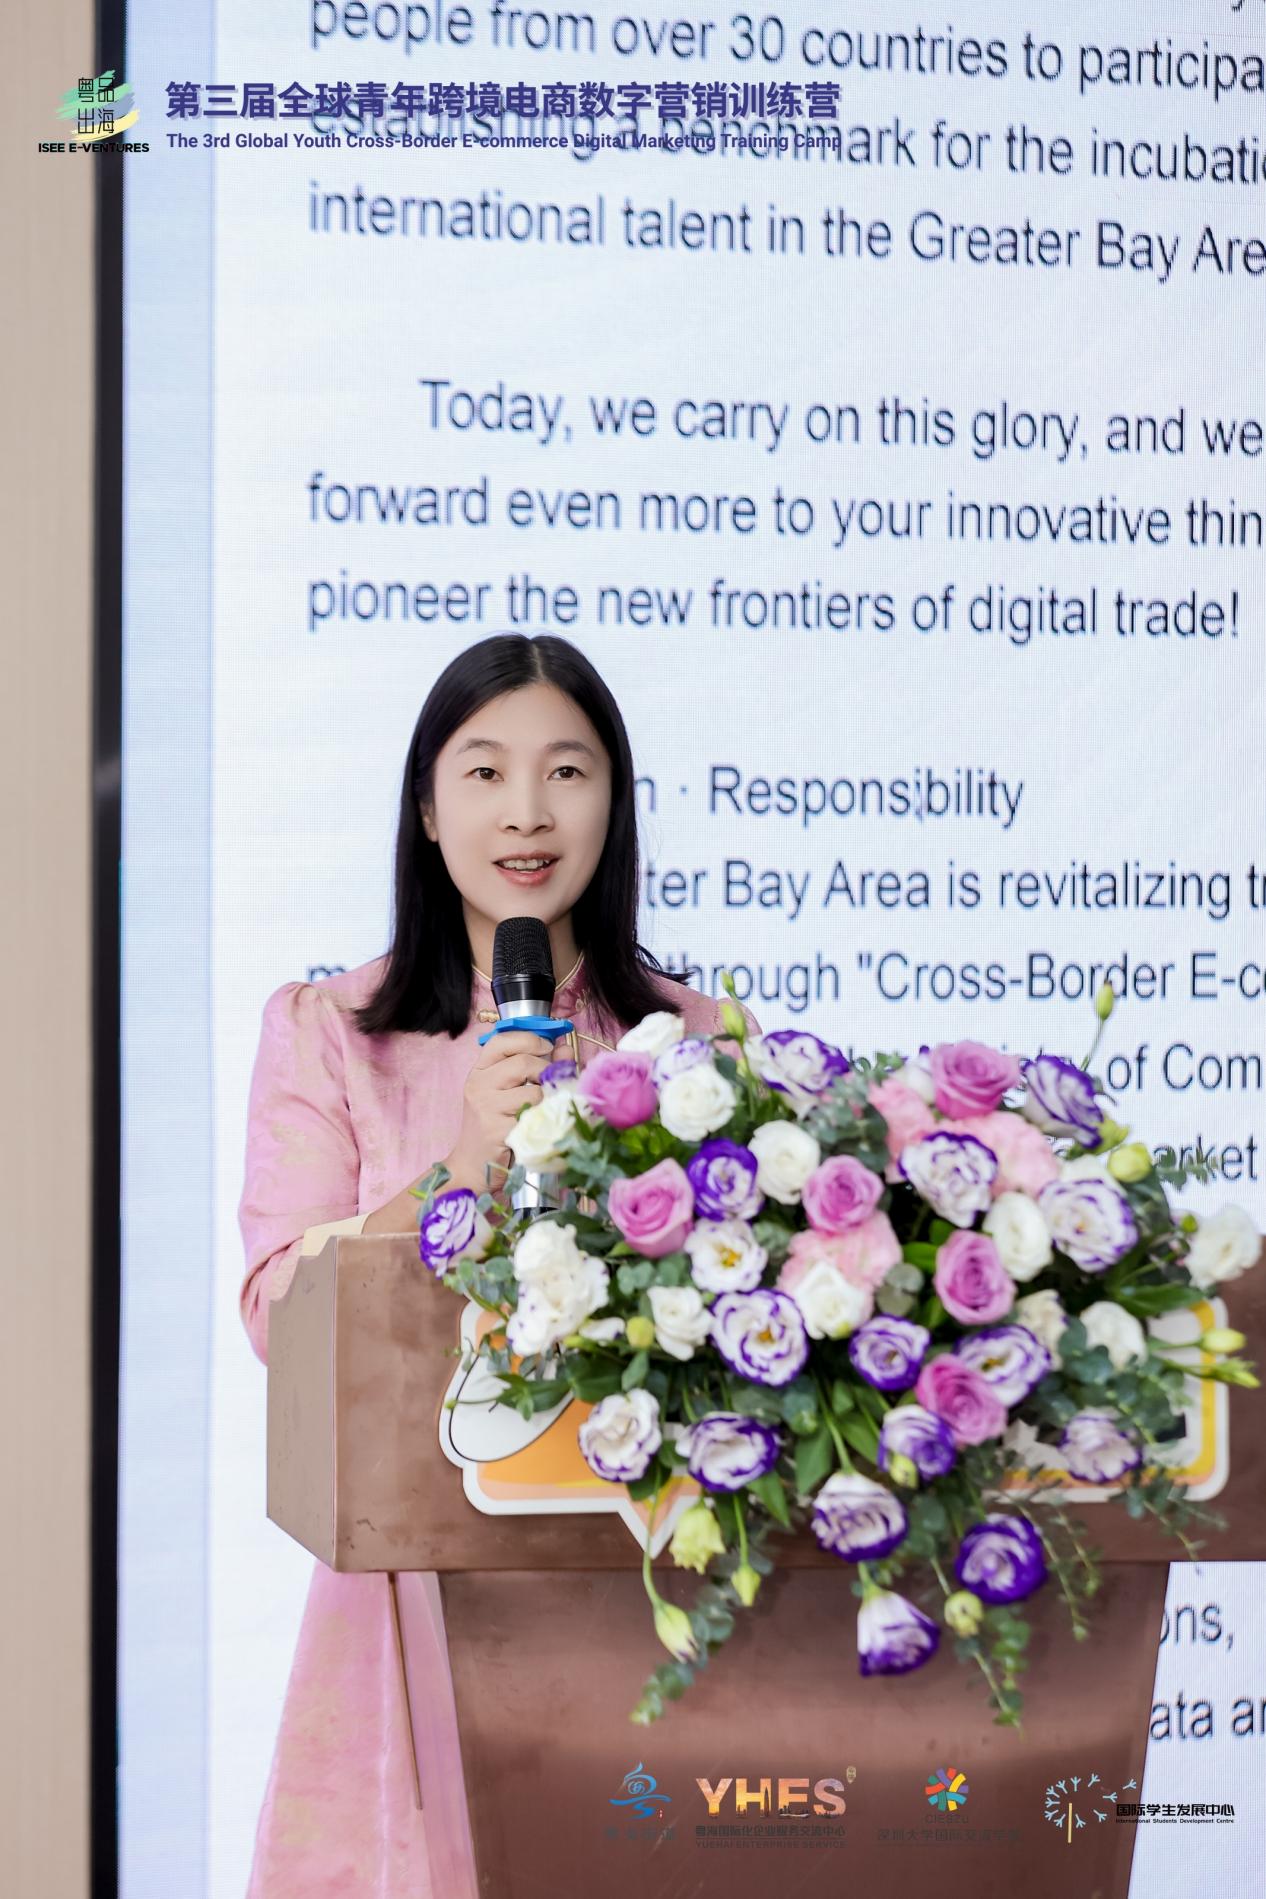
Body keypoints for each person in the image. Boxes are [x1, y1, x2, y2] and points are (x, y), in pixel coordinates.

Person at [237, 632, 759, 1896]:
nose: (527, 812)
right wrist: (463, 1165)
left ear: (612, 802)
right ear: (427, 808)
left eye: (567, 772)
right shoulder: (331, 1034)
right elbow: (276, 1315)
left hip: (643, 1577)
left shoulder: (700, 1040)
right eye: (484, 773)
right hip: (410, 1593)